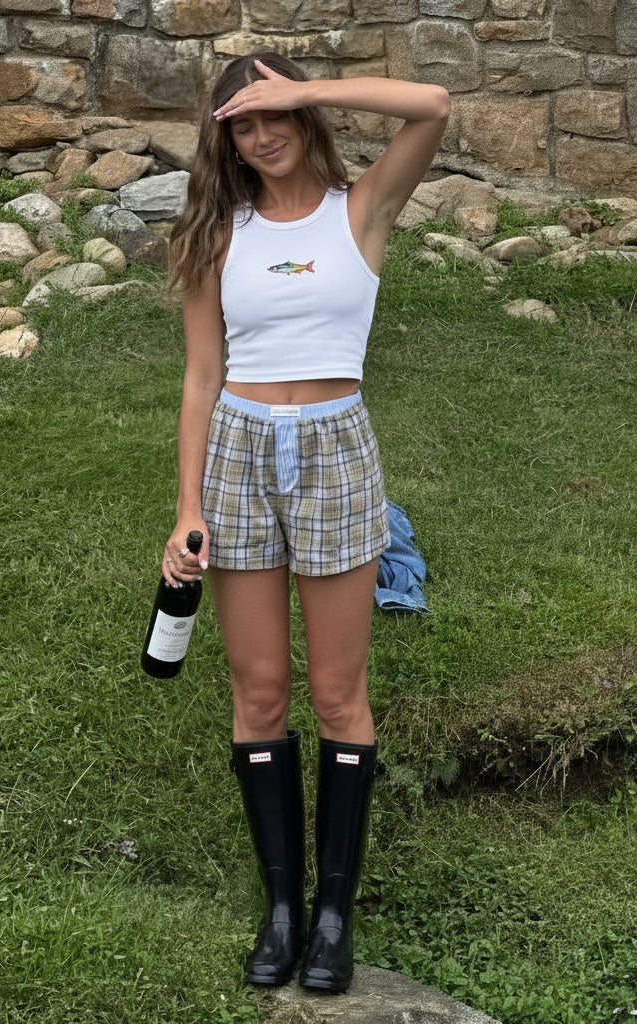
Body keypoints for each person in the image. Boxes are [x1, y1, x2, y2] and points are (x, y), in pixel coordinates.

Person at [161, 53, 450, 993]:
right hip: (241, 451)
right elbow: (202, 378)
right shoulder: (217, 232)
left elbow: (434, 105)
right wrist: (187, 510)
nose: (263, 133)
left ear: (302, 115)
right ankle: (283, 908)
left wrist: (306, 86)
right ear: (227, 142)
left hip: (335, 450)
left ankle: (334, 915)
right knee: (259, 691)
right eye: (242, 123)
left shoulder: (360, 210)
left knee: (337, 693)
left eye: (273, 113)